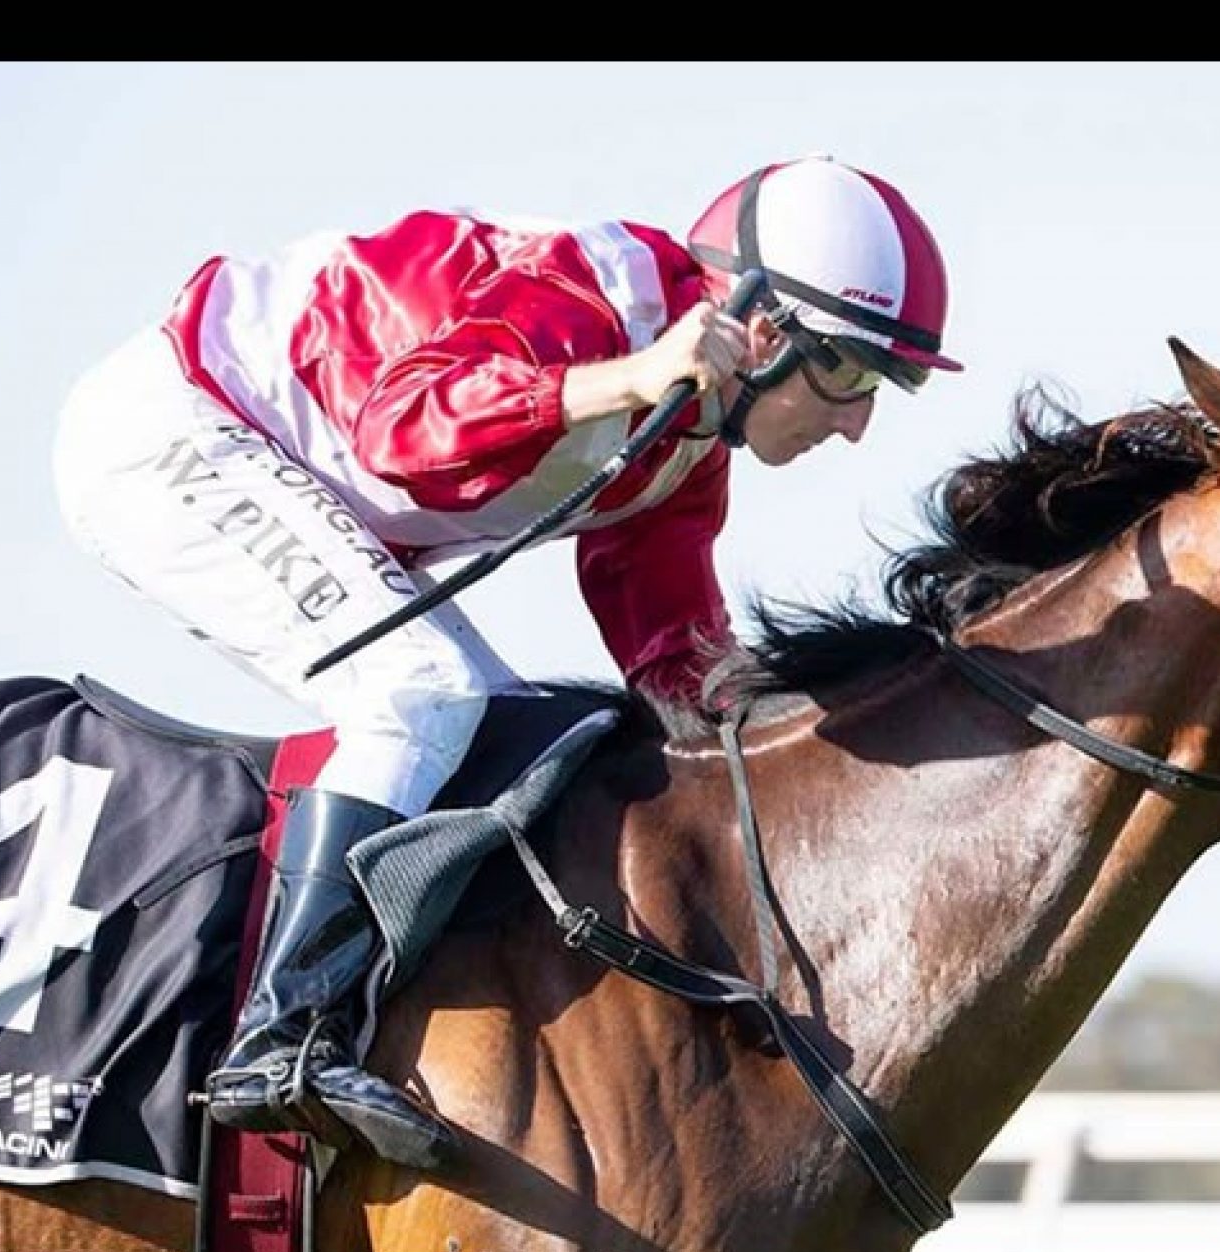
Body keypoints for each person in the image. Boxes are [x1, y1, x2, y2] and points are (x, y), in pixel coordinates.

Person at [51, 155, 961, 1171]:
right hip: (173, 422)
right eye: (846, 370)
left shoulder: (688, 447)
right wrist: (620, 378)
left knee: (510, 721)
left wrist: (809, 732)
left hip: (260, 455)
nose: (856, 423)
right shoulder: (585, 297)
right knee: (426, 690)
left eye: (883, 385)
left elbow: (669, 643)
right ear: (758, 326)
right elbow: (402, 425)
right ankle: (284, 1032)